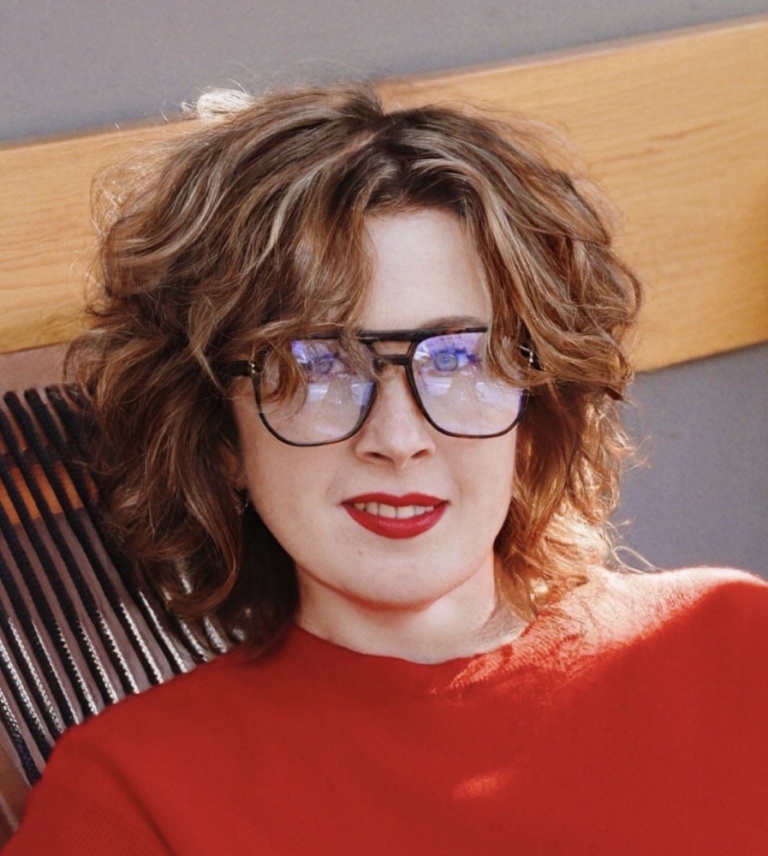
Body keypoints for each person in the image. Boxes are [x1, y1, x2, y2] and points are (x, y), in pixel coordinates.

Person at [6, 84, 768, 855]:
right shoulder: (128, 799)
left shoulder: (735, 648)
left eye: (458, 359)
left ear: (534, 408)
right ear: (221, 436)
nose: (398, 439)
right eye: (317, 365)